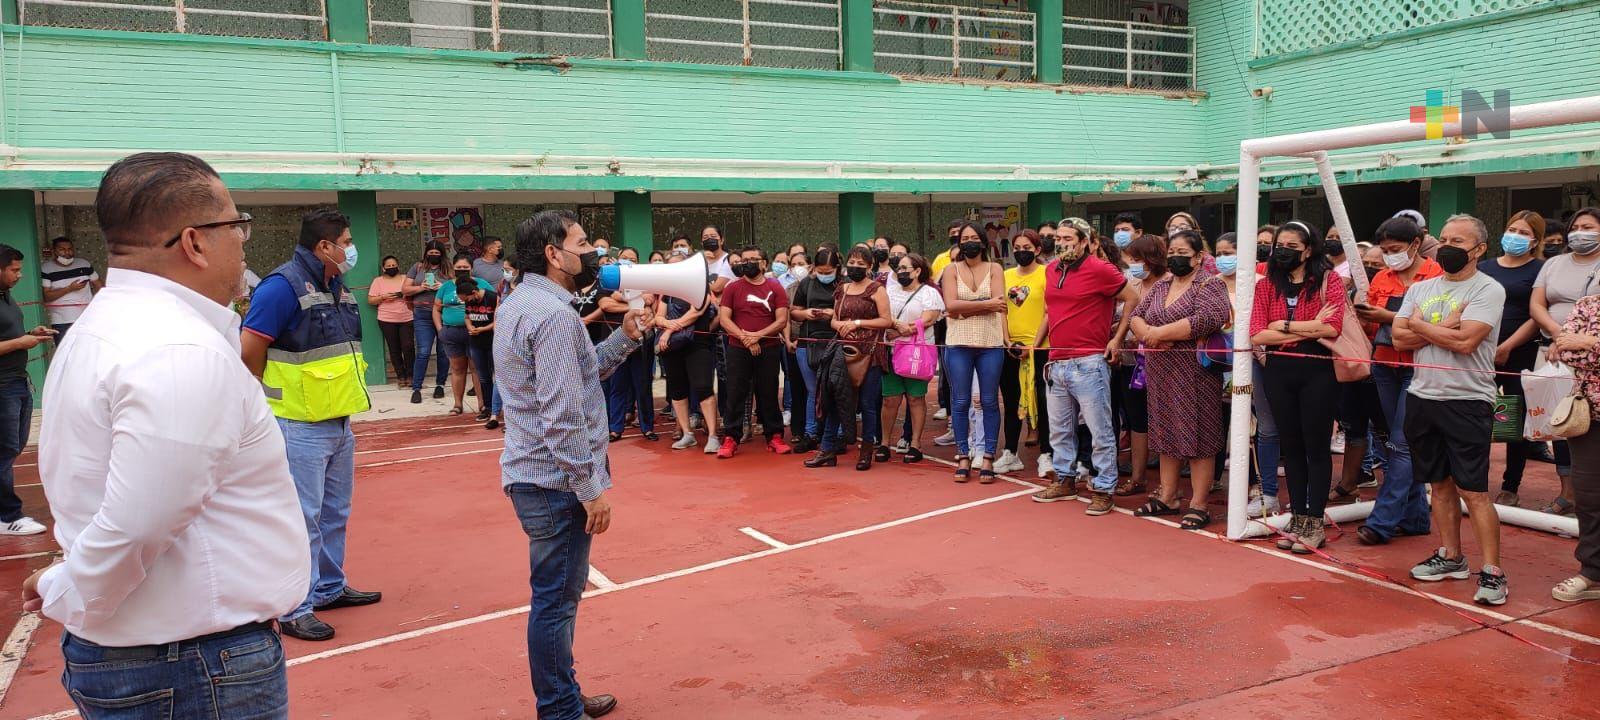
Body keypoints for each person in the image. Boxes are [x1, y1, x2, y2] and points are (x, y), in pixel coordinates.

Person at [24, 152, 308, 717]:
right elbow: (138, 524)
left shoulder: (104, 326)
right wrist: (69, 588)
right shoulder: (177, 349)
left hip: (167, 657)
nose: (244, 242)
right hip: (193, 665)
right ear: (194, 242)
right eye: (236, 225)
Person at [498, 210, 636, 720]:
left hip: (539, 477)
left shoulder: (526, 303)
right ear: (554, 254)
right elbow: (560, 415)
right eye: (581, 244)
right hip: (555, 483)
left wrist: (627, 335)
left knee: (557, 599)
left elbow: (580, 374)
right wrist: (589, 486)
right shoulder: (552, 315)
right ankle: (558, 709)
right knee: (556, 603)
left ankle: (564, 695)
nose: (591, 254)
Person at [240, 209, 382, 645]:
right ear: (325, 247)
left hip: (338, 421)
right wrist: (274, 399)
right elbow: (249, 350)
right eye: (347, 240)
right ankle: (295, 607)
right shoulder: (281, 287)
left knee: (334, 513)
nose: (351, 248)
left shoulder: (335, 285)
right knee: (301, 519)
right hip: (299, 425)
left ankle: (328, 588)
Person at [1392, 214, 1508, 606]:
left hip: (1468, 400)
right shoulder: (1422, 288)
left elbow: (1466, 343)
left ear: (1479, 249)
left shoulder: (1488, 289)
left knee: (1473, 490)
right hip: (1423, 397)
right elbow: (1397, 337)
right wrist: (1446, 328)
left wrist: (1422, 327)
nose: (1447, 246)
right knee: (1438, 485)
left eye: (1458, 240)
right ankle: (1451, 556)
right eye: (1443, 238)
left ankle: (1492, 572)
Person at [1249, 222, 1346, 550]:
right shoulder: (1265, 286)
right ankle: (1299, 515)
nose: (1283, 251)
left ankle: (1315, 520)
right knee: (1290, 445)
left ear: (1308, 250)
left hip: (1318, 369)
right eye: (1280, 245)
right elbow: (1258, 334)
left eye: (1293, 245)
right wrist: (1309, 328)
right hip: (1278, 370)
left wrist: (1286, 325)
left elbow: (1332, 329)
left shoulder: (1327, 281)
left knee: (1316, 446)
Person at [1030, 219, 1137, 513]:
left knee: (1100, 430)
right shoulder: (1051, 270)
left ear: (1085, 241)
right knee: (1059, 429)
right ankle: (1064, 479)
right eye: (1059, 238)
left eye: (1068, 238)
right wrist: (1038, 343)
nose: (1062, 242)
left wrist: (1116, 338)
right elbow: (1051, 310)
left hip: (1089, 361)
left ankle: (1104, 488)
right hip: (1057, 360)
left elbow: (1132, 297)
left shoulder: (1101, 269)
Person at [1131, 229, 1232, 530]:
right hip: (1161, 368)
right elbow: (1137, 314)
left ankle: (1199, 503)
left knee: (1199, 432)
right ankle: (1168, 496)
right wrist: (1147, 334)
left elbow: (1208, 319)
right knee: (1164, 432)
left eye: (1182, 253)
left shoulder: (1210, 285)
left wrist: (1159, 333)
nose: (1175, 258)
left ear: (1199, 257)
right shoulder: (1162, 285)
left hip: (1195, 373)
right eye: (1171, 253)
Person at [1352, 216, 1441, 546]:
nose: (1390, 255)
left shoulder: (1435, 274)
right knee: (1400, 443)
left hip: (1421, 366)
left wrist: (1388, 316)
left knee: (1402, 444)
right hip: (1385, 365)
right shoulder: (1381, 277)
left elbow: (1434, 321)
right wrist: (1364, 319)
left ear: (1416, 244)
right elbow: (1372, 328)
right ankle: (1416, 517)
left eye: (1395, 249)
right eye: (1385, 250)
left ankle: (1382, 521)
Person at [1529, 208, 1600, 516]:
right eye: (1576, 226)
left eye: (1588, 227)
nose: (1579, 232)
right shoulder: (1554, 264)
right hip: (1554, 351)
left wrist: (1576, 342)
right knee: (1561, 419)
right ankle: (1568, 492)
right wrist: (1561, 337)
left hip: (1588, 358)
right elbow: (1537, 304)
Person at [1480, 211, 1547, 507]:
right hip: (1480, 351)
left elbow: (1536, 314)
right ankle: (1475, 477)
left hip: (1518, 351)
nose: (1515, 235)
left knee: (1514, 417)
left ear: (1535, 240)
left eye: (1523, 232)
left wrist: (1506, 346)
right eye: (1511, 229)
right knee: (1478, 413)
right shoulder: (1484, 267)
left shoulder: (1540, 269)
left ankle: (1511, 484)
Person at [806, 246, 890, 470]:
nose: (855, 267)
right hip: (841, 354)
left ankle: (866, 451)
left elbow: (886, 321)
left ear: (869, 267)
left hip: (869, 354)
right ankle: (827, 450)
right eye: (852, 263)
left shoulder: (876, 289)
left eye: (861, 264)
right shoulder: (842, 289)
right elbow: (834, 319)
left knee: (867, 404)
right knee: (834, 401)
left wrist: (857, 323)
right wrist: (840, 325)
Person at [941, 221, 1008, 482]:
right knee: (959, 402)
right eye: (963, 237)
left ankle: (988, 455)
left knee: (989, 401)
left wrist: (964, 308)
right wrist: (986, 304)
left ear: (982, 241)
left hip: (990, 343)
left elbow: (1000, 304)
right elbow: (950, 306)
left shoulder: (995, 268)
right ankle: (963, 455)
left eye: (973, 237)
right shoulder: (950, 269)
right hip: (958, 343)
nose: (968, 241)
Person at [717, 246, 792, 458]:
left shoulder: (775, 287)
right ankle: (731, 437)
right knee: (735, 392)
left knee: (768, 392)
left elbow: (781, 320)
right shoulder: (732, 287)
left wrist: (758, 335)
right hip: (737, 349)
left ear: (764, 264)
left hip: (768, 349)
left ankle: (774, 436)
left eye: (753, 259)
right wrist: (746, 338)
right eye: (744, 260)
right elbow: (724, 319)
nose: (748, 263)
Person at [1551, 277, 1600, 602]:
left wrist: (1590, 344)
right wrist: (1580, 346)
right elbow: (1567, 354)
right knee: (1589, 495)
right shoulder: (1588, 304)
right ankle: (1593, 573)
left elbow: (1580, 352)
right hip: (1589, 415)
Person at [0, 245, 53, 537]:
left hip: (18, 382)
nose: (19, 275)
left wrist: (31, 334)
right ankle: (8, 516)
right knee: (4, 451)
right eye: (14, 270)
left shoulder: (7, 297)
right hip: (3, 387)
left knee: (13, 448)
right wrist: (20, 344)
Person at [1116, 233, 1168, 493]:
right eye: (1131, 260)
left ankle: (1168, 485)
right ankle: (1137, 477)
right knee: (1136, 420)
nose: (1134, 265)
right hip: (1130, 363)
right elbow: (1121, 319)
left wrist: (1147, 333)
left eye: (1137, 260)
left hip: (1166, 363)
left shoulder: (1172, 283)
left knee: (1165, 419)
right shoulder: (1131, 284)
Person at [880, 253, 943, 464]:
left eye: (906, 268)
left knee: (915, 399)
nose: (901, 272)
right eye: (899, 268)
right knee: (890, 400)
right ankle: (884, 443)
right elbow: (884, 316)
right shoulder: (890, 291)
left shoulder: (929, 293)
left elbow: (927, 320)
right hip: (890, 353)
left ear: (917, 271)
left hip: (916, 354)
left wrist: (899, 331)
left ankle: (915, 444)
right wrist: (894, 328)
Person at [656, 252, 721, 452]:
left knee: (703, 387)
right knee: (677, 389)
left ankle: (712, 435)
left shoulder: (700, 285)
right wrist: (667, 324)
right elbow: (658, 317)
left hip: (698, 344)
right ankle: (687, 434)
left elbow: (697, 311)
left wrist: (668, 330)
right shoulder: (667, 291)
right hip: (673, 347)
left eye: (679, 265)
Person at [996, 229, 1047, 476]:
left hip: (1041, 349)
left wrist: (1034, 345)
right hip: (1011, 349)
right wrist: (1007, 341)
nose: (1021, 251)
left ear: (1037, 250)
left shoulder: (1047, 274)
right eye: (1017, 247)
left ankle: (1046, 454)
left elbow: (1049, 312)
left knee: (1043, 402)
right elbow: (1002, 310)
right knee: (1012, 400)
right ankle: (1009, 453)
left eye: (1027, 247)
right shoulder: (1005, 276)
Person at [789, 247, 841, 452]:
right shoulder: (806, 283)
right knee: (813, 390)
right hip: (807, 342)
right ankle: (811, 433)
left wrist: (833, 313)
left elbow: (848, 310)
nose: (824, 275)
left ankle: (836, 434)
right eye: (820, 271)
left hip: (835, 341)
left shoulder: (843, 284)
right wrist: (806, 314)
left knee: (835, 390)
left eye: (828, 272)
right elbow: (794, 311)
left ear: (837, 268)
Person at [436, 256, 494, 416]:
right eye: (458, 267)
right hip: (452, 333)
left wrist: (481, 328)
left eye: (465, 267)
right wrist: (440, 329)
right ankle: (457, 405)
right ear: (453, 267)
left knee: (477, 369)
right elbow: (436, 308)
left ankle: (483, 405)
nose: (462, 270)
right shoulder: (446, 286)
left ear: (471, 268)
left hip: (477, 333)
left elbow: (495, 304)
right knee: (457, 368)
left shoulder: (481, 285)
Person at [404, 241, 450, 403]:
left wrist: (441, 287)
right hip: (422, 314)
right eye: (431, 252)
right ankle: (416, 388)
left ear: (442, 254)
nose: (434, 256)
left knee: (443, 352)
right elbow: (405, 289)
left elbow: (457, 289)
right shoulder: (418, 267)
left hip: (444, 314)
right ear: (426, 253)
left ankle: (440, 385)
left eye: (437, 253)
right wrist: (422, 287)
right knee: (423, 351)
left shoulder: (448, 269)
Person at [40, 236, 101, 340]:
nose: (67, 253)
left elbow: (99, 286)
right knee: (66, 354)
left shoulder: (84, 264)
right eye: (62, 250)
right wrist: (70, 288)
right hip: (61, 322)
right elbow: (47, 296)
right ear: (54, 251)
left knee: (88, 353)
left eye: (69, 249)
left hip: (87, 318)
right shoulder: (46, 269)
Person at [369, 255, 414, 389]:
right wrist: (383, 297)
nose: (391, 268)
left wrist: (404, 294)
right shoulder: (378, 281)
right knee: (394, 349)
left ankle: (411, 375)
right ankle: (401, 376)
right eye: (388, 266)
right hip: (386, 319)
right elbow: (371, 300)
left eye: (393, 265)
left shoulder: (406, 278)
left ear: (398, 266)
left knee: (408, 347)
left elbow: (415, 293)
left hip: (407, 317)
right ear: (383, 268)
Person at [461, 273, 501, 424]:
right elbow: (467, 317)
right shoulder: (468, 301)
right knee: (483, 377)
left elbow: (498, 319)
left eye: (468, 299)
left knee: (497, 377)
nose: (468, 303)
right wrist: (470, 326)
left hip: (491, 340)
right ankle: (488, 408)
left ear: (474, 293)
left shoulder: (491, 297)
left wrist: (483, 329)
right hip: (475, 342)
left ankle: (498, 409)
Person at [701, 225, 738, 294]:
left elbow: (717, 288)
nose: (709, 239)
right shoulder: (699, 261)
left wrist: (696, 285)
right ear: (702, 243)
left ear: (721, 240)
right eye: (705, 237)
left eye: (713, 236)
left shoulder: (729, 260)